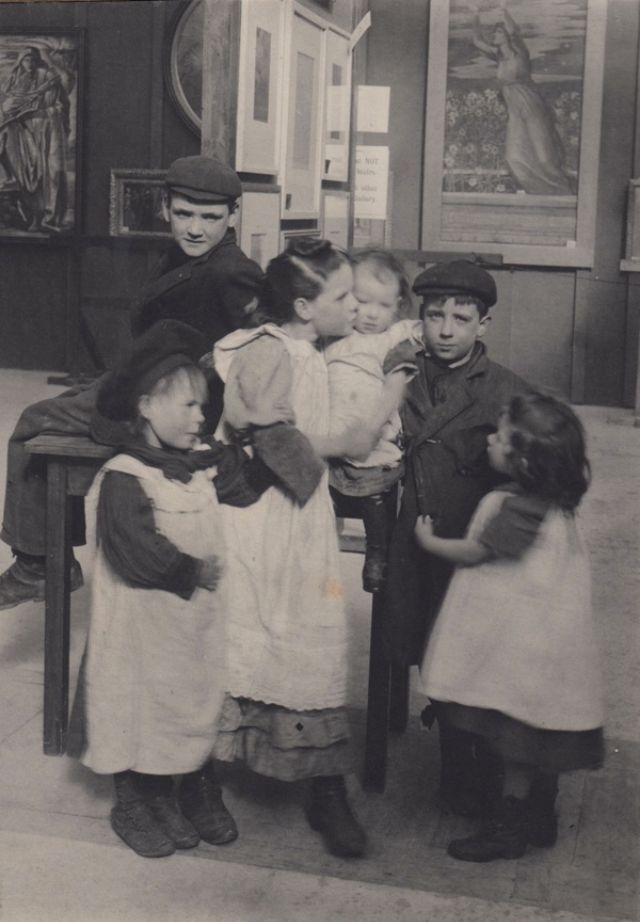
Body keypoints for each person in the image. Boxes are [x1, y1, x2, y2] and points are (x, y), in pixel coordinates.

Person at [210, 238, 408, 859]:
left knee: (314, 637)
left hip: (301, 521)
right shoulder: (268, 352)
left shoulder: (309, 349)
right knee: (245, 632)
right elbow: (268, 440)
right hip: (257, 520)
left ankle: (325, 788)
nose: (354, 307)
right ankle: (202, 775)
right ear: (303, 306)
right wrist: (346, 438)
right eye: (342, 296)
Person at [0, 155, 264, 611]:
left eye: (211, 217)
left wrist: (213, 401)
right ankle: (48, 558)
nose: (196, 228)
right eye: (184, 214)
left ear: (234, 215)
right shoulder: (185, 257)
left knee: (30, 424)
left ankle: (39, 566)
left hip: (169, 401)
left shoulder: (231, 270)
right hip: (147, 382)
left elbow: (258, 345)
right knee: (46, 422)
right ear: (165, 208)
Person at [71, 319, 276, 859]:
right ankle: (137, 800)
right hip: (141, 625)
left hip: (189, 627)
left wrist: (261, 445)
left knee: (190, 702)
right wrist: (189, 571)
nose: (200, 417)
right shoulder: (125, 474)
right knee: (137, 706)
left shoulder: (200, 465)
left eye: (203, 406)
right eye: (186, 406)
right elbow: (131, 550)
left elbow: (244, 487)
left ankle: (191, 789)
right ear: (144, 407)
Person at [416, 392, 604, 862]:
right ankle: (539, 815)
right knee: (538, 729)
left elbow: (476, 552)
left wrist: (430, 541)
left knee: (516, 739)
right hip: (543, 646)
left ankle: (509, 826)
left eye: (500, 438)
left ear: (525, 459)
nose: (490, 442)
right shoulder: (551, 502)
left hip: (521, 648)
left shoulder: (521, 509)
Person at [383, 259, 530, 818]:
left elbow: (538, 477)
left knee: (479, 658)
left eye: (461, 319)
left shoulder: (505, 392)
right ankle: (455, 764)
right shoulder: (398, 374)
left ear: (484, 324)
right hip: (415, 543)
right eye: (434, 315)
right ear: (419, 317)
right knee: (432, 654)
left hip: (475, 553)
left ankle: (480, 771)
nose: (445, 329)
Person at [325, 249, 422, 592]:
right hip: (328, 435)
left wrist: (372, 427)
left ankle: (377, 552)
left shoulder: (391, 340)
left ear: (397, 306)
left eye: (383, 306)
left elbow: (395, 386)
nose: (370, 314)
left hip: (370, 434)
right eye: (361, 300)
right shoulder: (333, 333)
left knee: (375, 496)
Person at [471, 4, 574, 196]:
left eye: (499, 32)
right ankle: (539, 194)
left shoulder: (521, 54)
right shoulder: (498, 57)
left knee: (545, 160)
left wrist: (504, 10)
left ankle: (565, 194)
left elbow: (516, 31)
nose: (494, 35)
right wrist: (476, 15)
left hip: (532, 108)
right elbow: (477, 40)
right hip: (516, 113)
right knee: (514, 158)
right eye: (494, 32)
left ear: (507, 36)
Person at [0, 45, 73, 231]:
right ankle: (31, 214)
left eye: (32, 59)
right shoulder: (17, 80)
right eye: (25, 60)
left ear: (37, 60)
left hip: (48, 127)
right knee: (27, 174)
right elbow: (9, 107)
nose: (29, 63)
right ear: (21, 62)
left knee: (51, 171)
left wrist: (45, 111)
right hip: (24, 131)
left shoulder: (47, 77)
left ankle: (49, 217)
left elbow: (60, 105)